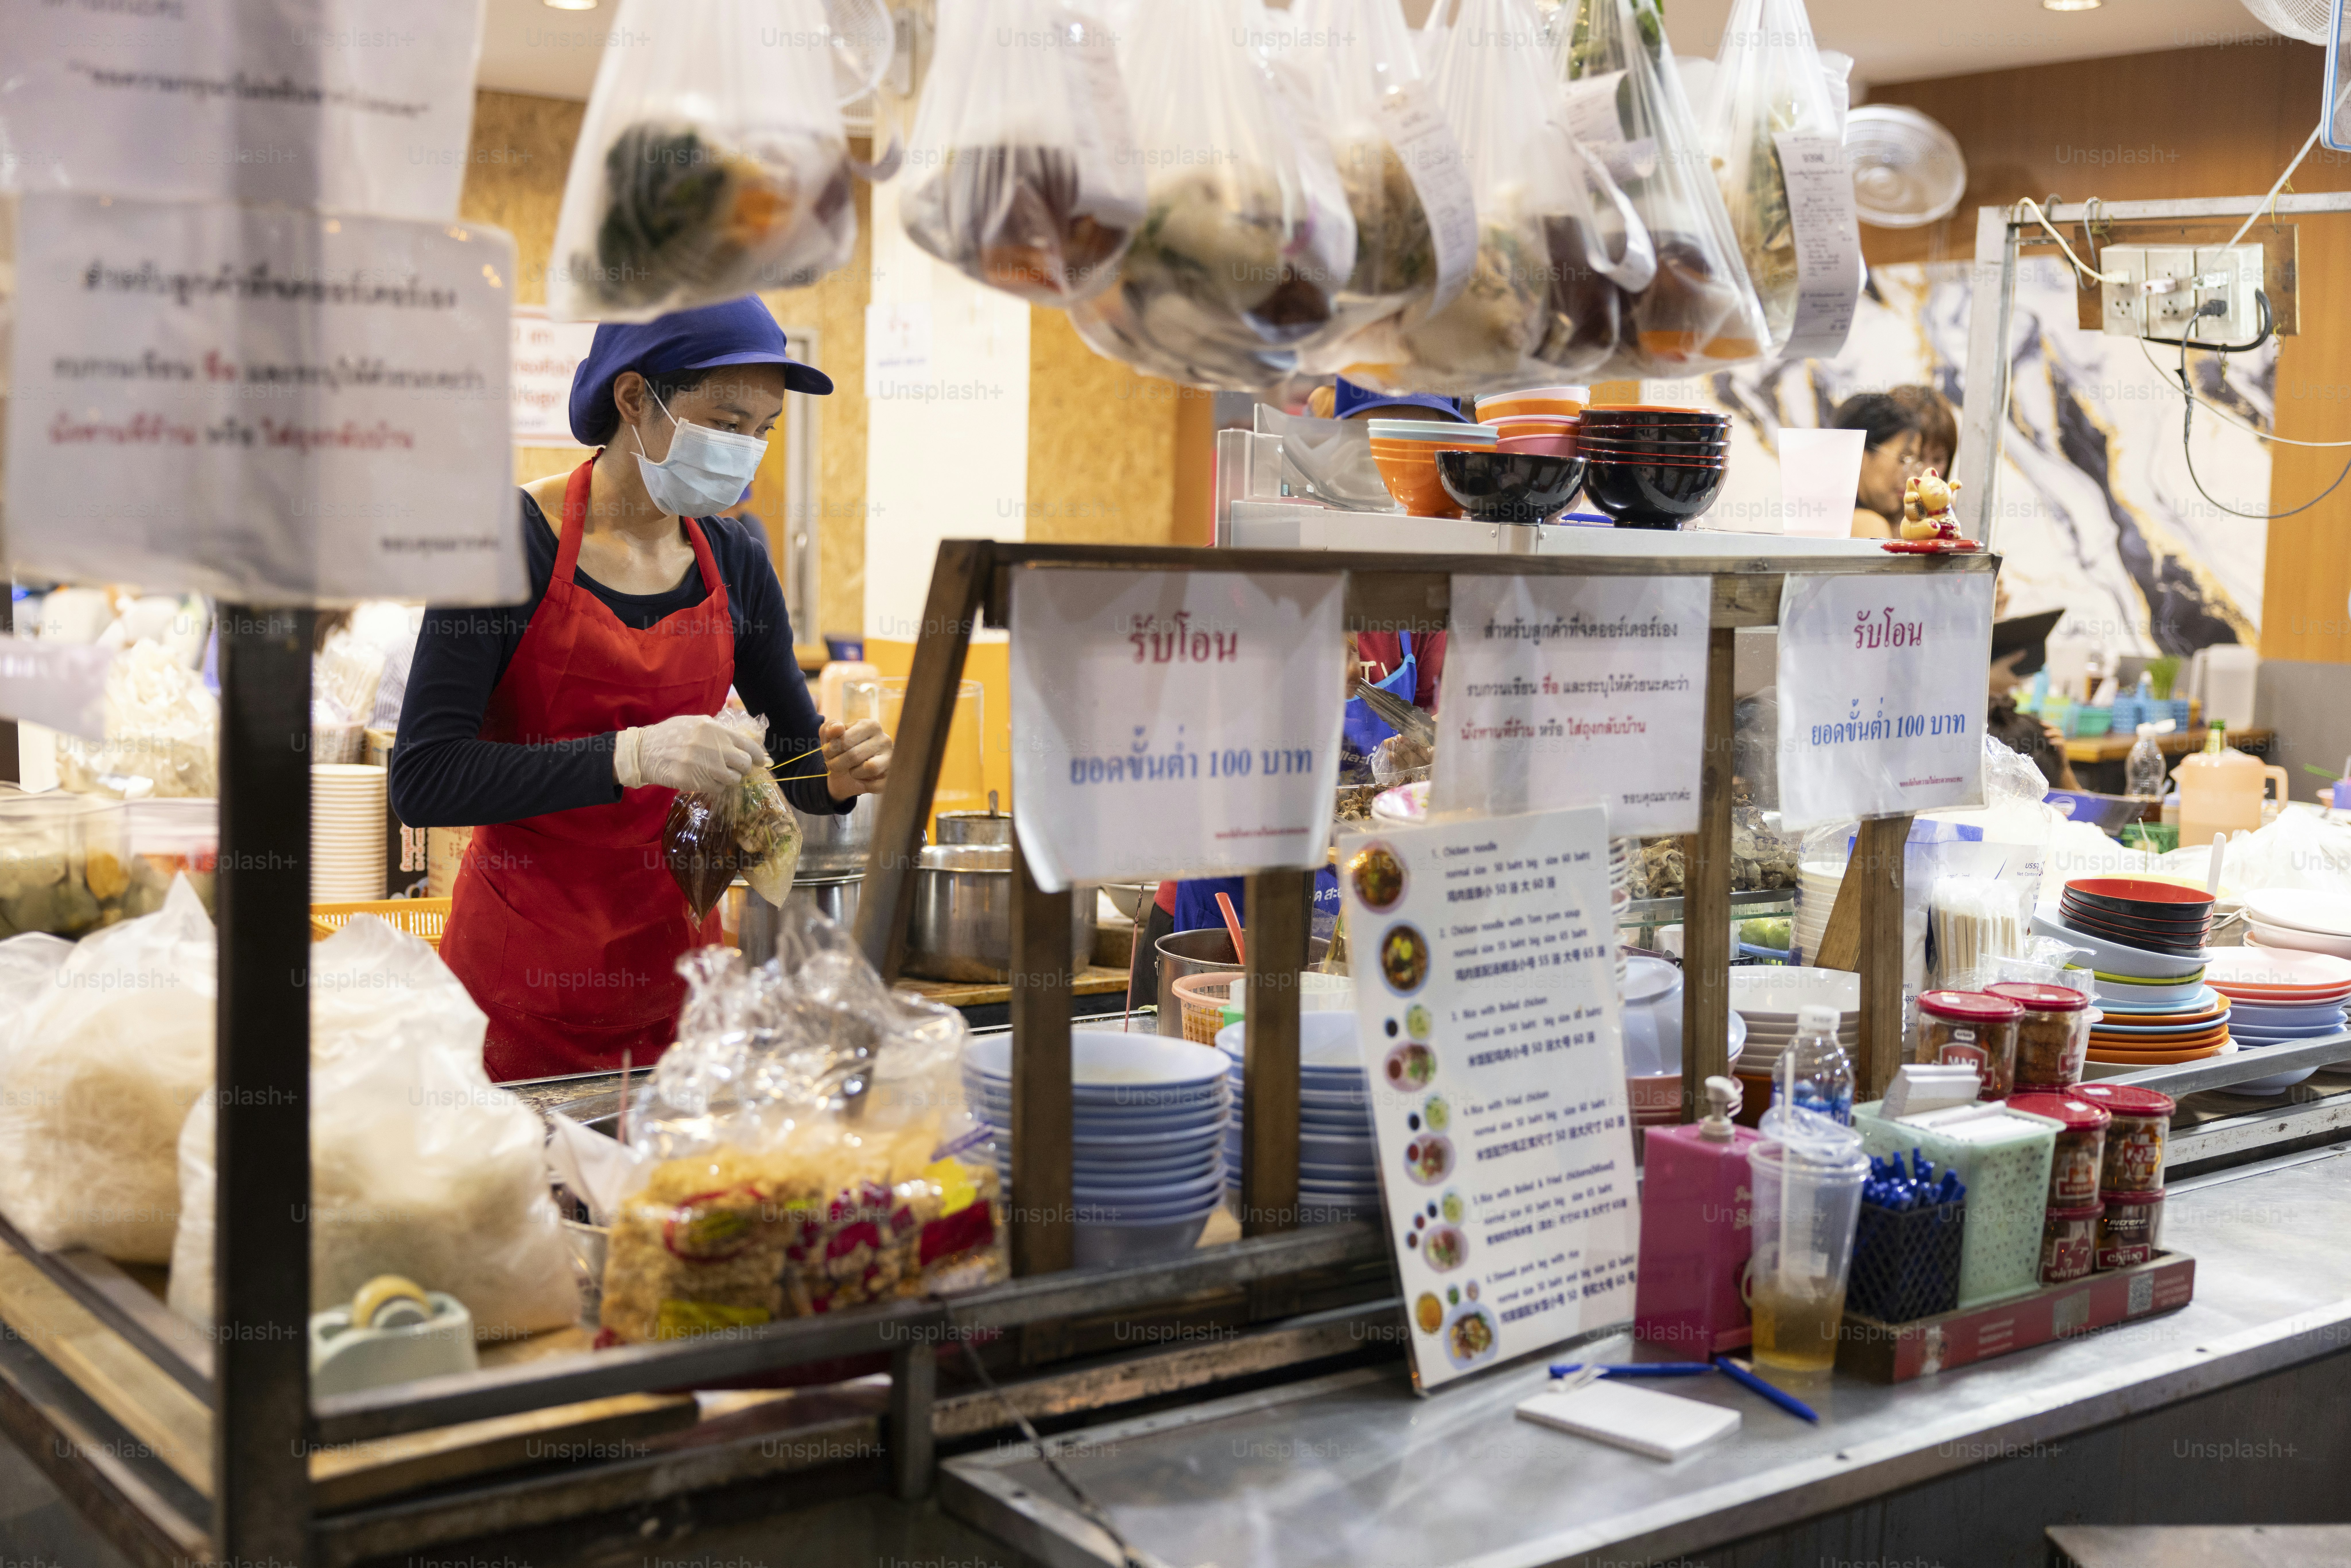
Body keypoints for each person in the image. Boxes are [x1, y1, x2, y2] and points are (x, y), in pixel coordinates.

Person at [391, 297, 890, 1082]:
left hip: (681, 989)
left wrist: (838, 775)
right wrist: (629, 756)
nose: (745, 452)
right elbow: (425, 780)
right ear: (633, 400)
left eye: (762, 431)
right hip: (522, 987)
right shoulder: (502, 545)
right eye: (725, 422)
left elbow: (799, 759)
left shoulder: (737, 560)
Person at [1830, 391, 1928, 540]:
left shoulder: (1823, 512)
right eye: (1904, 458)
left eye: (1915, 462)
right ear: (1860, 454)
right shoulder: (1868, 526)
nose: (1911, 476)